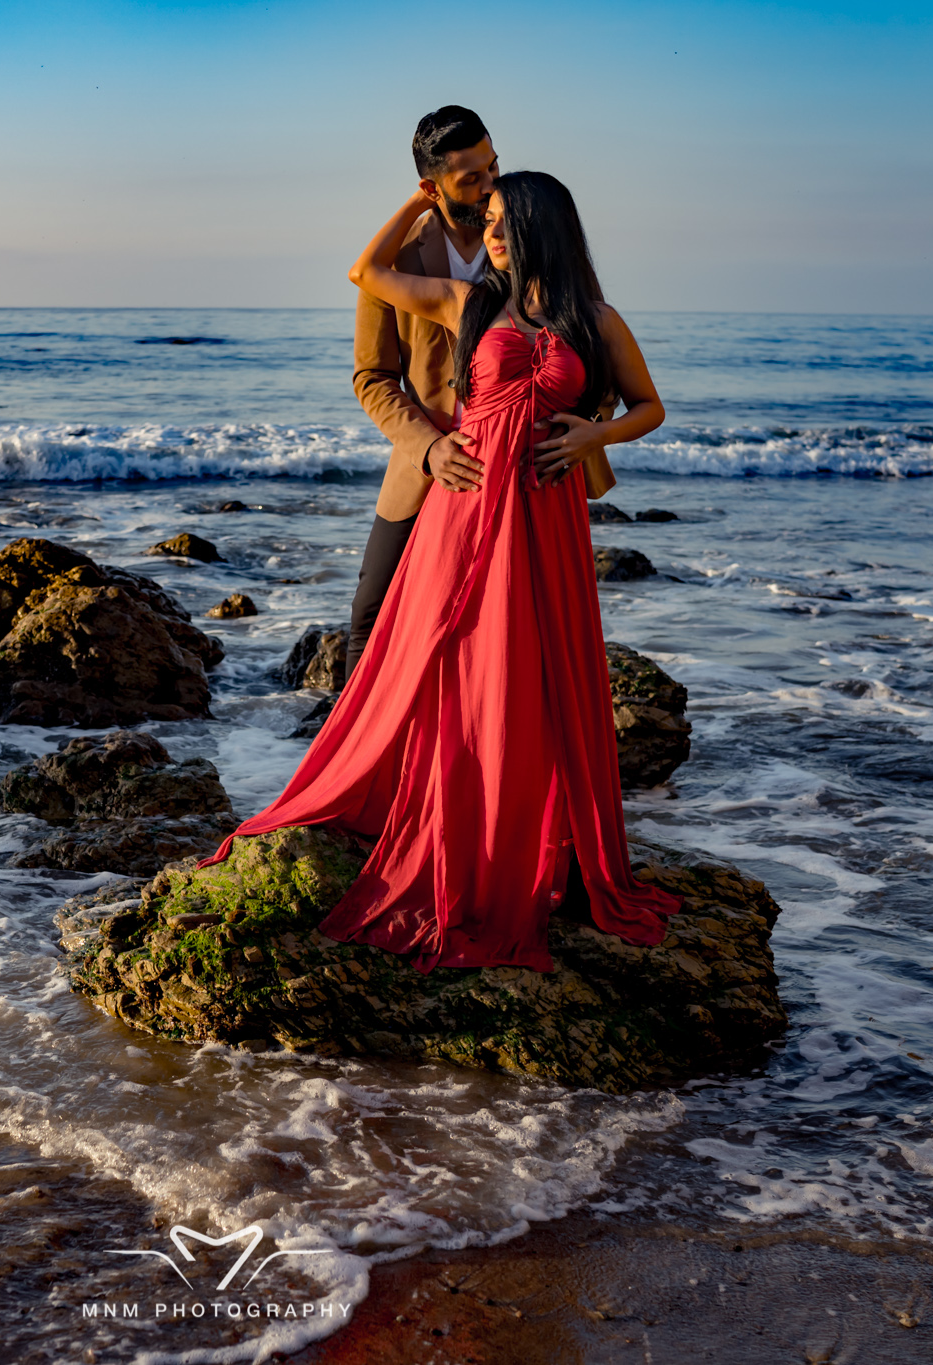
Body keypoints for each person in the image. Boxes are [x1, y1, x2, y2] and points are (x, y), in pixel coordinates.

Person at [202, 171, 679, 966]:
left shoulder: (595, 319)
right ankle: (440, 813)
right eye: (483, 219)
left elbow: (649, 405)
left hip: (547, 516)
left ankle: (530, 838)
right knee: (449, 660)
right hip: (464, 507)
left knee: (532, 672)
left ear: (542, 227)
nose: (489, 233)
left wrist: (594, 437)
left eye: (503, 221)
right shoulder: (472, 305)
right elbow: (368, 272)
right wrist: (425, 202)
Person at [347, 106, 616, 674]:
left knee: (521, 635)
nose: (490, 184)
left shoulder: (540, 244)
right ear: (432, 185)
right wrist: (428, 446)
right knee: (373, 619)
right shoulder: (397, 259)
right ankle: (357, 756)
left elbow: (592, 349)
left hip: (531, 473)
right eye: (471, 177)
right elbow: (372, 377)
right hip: (432, 464)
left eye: (493, 166)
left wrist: (588, 430)